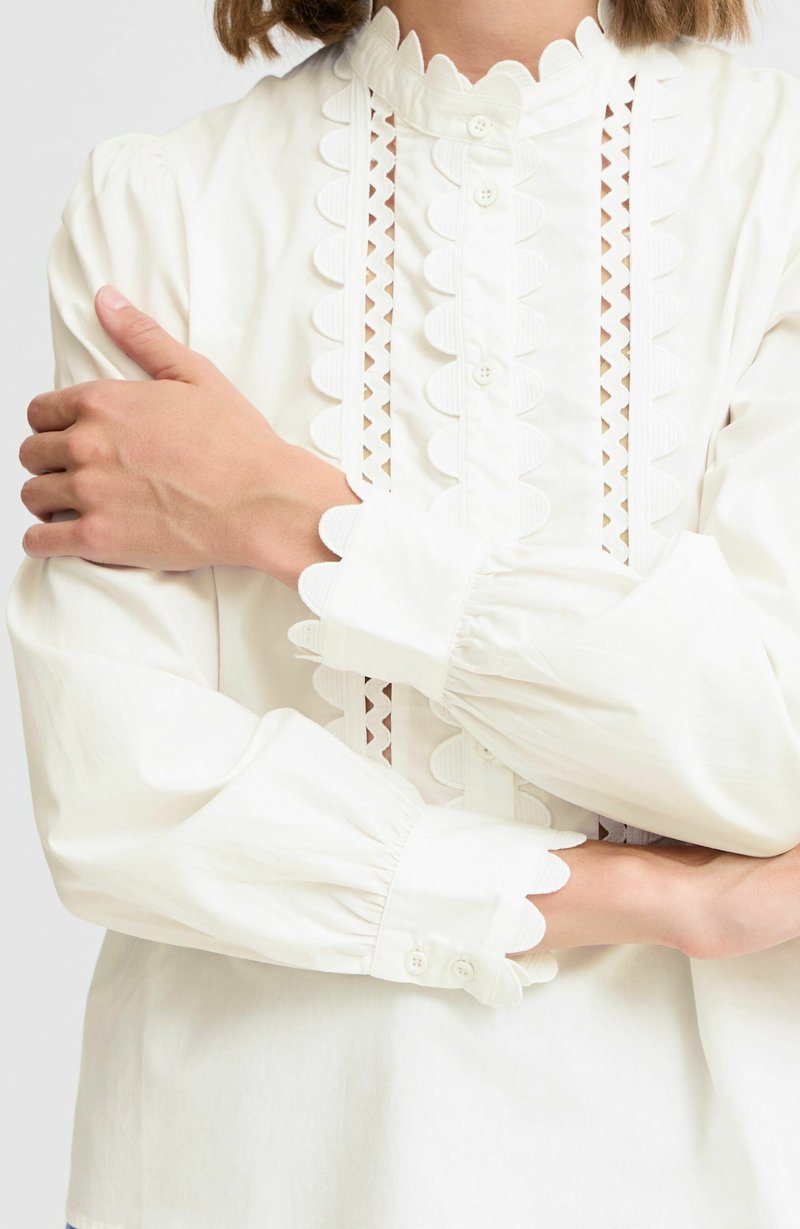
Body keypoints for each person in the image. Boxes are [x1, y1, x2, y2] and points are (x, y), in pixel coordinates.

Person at [6, 0, 800, 1223]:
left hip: (689, 1174)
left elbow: (768, 747)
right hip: (245, 1169)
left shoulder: (772, 176)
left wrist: (296, 517)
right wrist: (652, 895)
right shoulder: (159, 206)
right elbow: (124, 798)